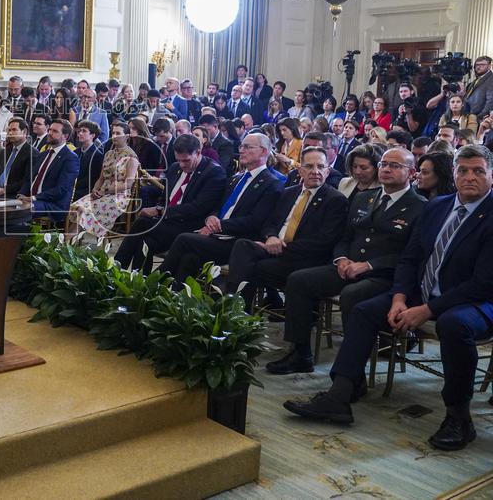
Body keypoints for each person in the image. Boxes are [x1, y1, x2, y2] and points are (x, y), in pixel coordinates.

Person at [283, 145, 493, 452]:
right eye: (462, 170)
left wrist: (426, 310)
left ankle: (458, 417)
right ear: (455, 174)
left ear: (491, 175)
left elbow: (482, 283)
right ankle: (339, 395)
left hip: (476, 301)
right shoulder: (439, 207)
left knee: (453, 324)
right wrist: (398, 298)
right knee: (366, 310)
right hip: (422, 294)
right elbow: (410, 259)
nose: (469, 177)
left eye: (478, 171)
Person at [268, 147, 426, 374]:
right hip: (349, 267)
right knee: (299, 280)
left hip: (383, 275)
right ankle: (300, 353)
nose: (386, 169)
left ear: (411, 173)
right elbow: (344, 237)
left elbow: (412, 254)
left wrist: (370, 265)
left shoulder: (420, 206)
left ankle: (351, 372)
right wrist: (341, 259)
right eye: (383, 164)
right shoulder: (364, 197)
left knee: (353, 295)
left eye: (395, 166)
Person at [225, 146, 348, 309]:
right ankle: (234, 311)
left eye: (321, 167)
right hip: (274, 249)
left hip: (303, 258)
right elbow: (270, 223)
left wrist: (280, 248)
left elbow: (324, 241)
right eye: (309, 166)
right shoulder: (289, 192)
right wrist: (271, 237)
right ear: (300, 171)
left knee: (250, 267)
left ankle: (234, 314)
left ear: (328, 171)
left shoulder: (335, 200)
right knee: (243, 246)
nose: (315, 171)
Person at [159, 133, 283, 284]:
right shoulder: (236, 179)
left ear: (263, 151)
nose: (241, 150)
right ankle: (176, 299)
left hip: (238, 240)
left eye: (247, 147)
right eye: (241, 146)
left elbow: (255, 220)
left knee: (184, 239)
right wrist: (211, 217)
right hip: (218, 236)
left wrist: (217, 226)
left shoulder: (271, 183)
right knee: (189, 258)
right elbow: (218, 205)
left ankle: (154, 284)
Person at [114, 134, 227, 272]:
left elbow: (198, 208)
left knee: (142, 223)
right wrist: (158, 208)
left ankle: (116, 268)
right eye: (179, 160)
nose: (182, 164)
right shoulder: (175, 168)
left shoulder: (213, 172)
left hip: (189, 224)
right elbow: (164, 198)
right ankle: (139, 282)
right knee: (145, 243)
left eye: (186, 160)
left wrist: (159, 211)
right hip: (168, 222)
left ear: (198, 152)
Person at [68, 121, 139, 239]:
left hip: (118, 195)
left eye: (118, 133)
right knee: (76, 207)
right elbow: (101, 178)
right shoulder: (108, 154)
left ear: (126, 136)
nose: (114, 136)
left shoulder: (131, 157)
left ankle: (68, 242)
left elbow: (129, 183)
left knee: (85, 210)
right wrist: (95, 190)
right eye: (113, 133)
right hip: (101, 192)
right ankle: (70, 242)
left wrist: (106, 191)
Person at [18, 119, 80, 221]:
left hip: (54, 205)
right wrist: (20, 195)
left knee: (21, 210)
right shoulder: (43, 154)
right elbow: (30, 179)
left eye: (55, 131)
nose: (50, 133)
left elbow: (61, 190)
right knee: (8, 205)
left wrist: (33, 198)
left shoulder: (70, 158)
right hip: (33, 201)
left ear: (65, 136)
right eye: (50, 130)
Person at [0, 117, 34, 200]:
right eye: (9, 130)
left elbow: (26, 181)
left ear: (24, 132)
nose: (10, 133)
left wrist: (3, 190)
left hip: (13, 194)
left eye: (14, 130)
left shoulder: (31, 153)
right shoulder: (6, 151)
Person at [71, 120, 105, 202]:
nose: (80, 133)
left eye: (84, 131)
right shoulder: (75, 152)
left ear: (92, 135)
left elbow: (91, 180)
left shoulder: (97, 155)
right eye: (79, 131)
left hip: (84, 192)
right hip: (71, 188)